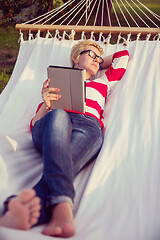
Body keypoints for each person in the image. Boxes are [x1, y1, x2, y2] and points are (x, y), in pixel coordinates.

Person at [4, 40, 129, 237]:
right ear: (76, 58)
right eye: (91, 54)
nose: (97, 59)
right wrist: (47, 102)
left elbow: (123, 56)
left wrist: (96, 60)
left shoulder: (103, 82)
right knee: (59, 114)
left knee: (66, 158)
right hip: (53, 125)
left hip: (88, 126)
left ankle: (21, 212)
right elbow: (35, 124)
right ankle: (62, 207)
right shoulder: (57, 84)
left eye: (99, 57)